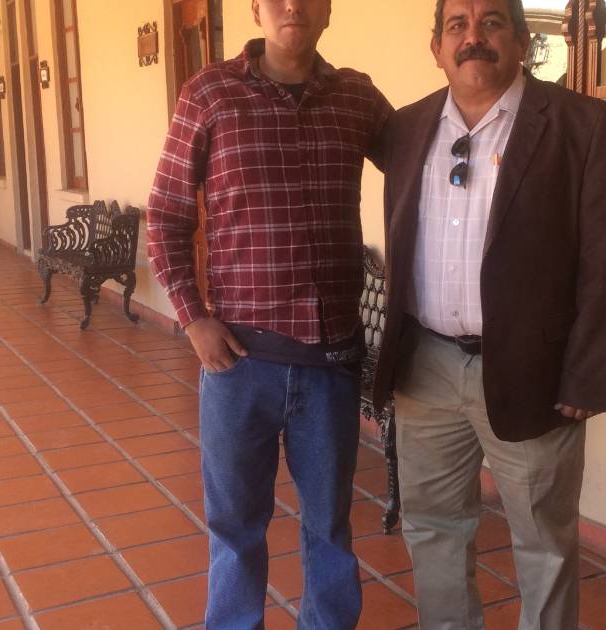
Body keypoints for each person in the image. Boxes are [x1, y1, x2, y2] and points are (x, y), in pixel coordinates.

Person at [371, 0, 606, 627]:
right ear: (436, 46)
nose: (473, 37)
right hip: (425, 368)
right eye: (456, 25)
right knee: (433, 528)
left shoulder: (581, 124)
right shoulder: (407, 128)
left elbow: (605, 260)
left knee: (543, 542)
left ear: (521, 39)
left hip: (532, 371)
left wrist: (586, 375)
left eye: (491, 22)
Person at [145, 0, 391, 627]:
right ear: (256, 9)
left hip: (330, 362)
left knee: (329, 526)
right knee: (235, 527)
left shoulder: (358, 99)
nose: (293, 6)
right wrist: (192, 317)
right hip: (238, 362)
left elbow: (426, 161)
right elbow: (167, 216)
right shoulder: (209, 94)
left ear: (327, 9)